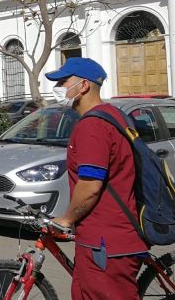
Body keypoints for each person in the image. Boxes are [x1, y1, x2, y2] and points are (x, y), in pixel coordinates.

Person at [46, 58, 147, 300]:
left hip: (105, 241)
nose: (58, 87)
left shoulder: (93, 126)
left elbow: (91, 186)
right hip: (109, 237)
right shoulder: (114, 116)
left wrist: (66, 219)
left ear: (83, 86)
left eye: (63, 81)